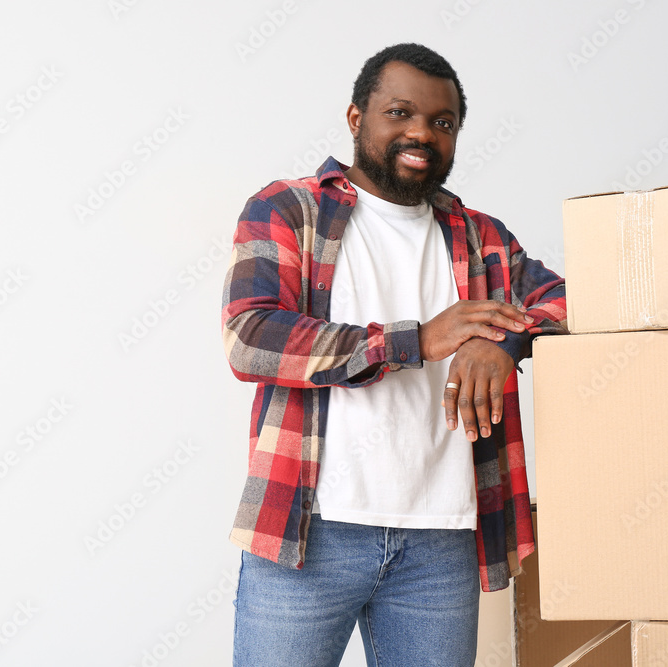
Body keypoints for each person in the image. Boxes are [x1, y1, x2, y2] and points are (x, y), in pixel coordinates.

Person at [223, 42, 567, 666]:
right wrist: (415, 340)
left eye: (442, 122)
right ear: (357, 119)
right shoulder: (290, 210)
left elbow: (573, 299)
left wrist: (504, 343)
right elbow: (251, 337)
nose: (422, 133)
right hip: (309, 531)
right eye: (401, 113)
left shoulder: (481, 237)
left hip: (441, 542)